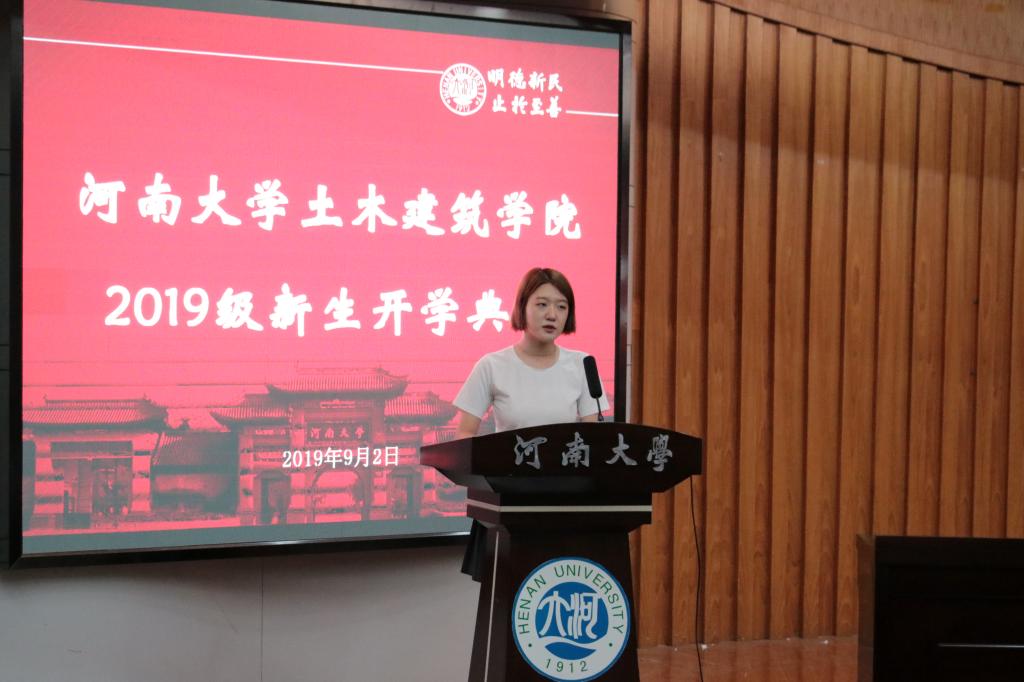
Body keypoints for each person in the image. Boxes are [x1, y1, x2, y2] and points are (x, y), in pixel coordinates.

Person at [452, 266, 609, 579]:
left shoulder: (582, 365)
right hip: (508, 503)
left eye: (561, 306)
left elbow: (592, 439)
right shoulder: (492, 366)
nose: (552, 314)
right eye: (542, 304)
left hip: (566, 504)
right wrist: (485, 485)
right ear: (522, 307)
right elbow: (465, 434)